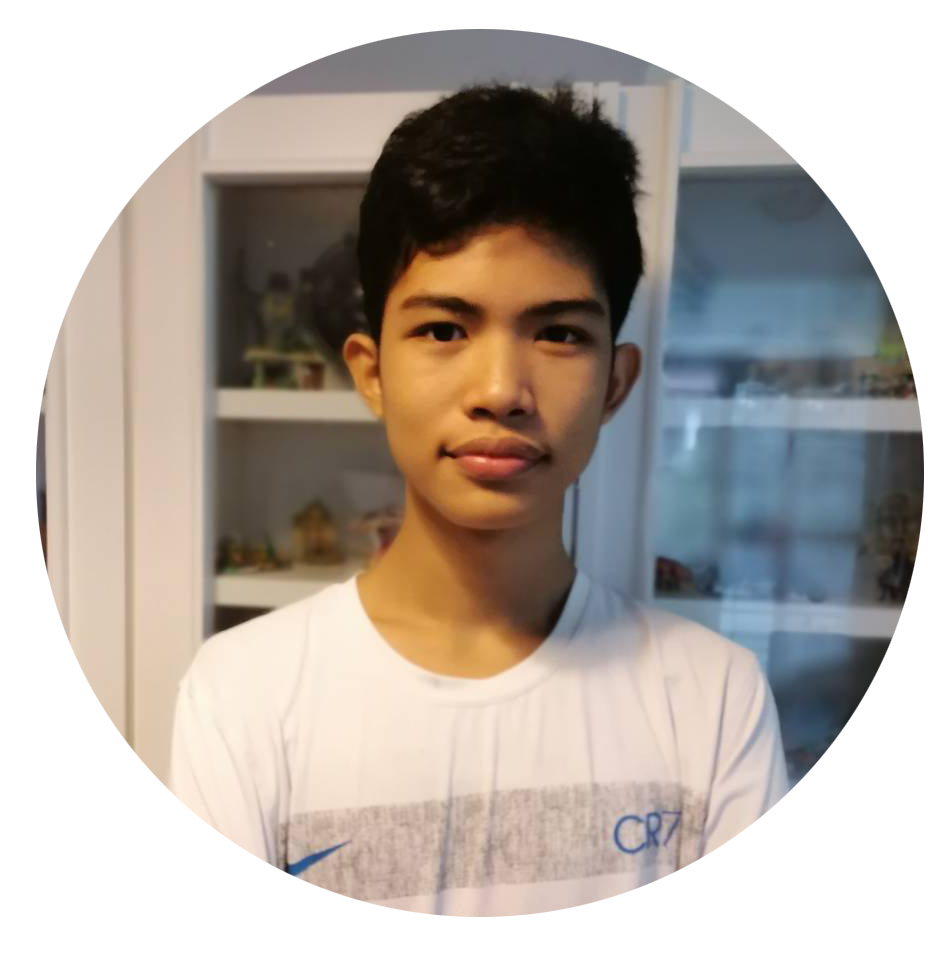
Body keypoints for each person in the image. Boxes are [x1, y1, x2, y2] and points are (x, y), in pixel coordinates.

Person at [170, 83, 788, 916]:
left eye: (559, 333)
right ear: (372, 372)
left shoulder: (713, 701)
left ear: (615, 382)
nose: (500, 390)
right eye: (443, 329)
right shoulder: (243, 696)